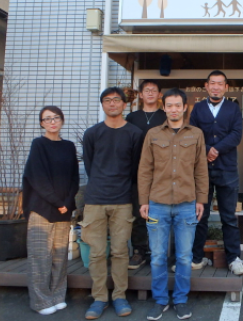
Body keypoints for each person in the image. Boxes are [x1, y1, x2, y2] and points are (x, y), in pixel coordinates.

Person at [138, 89, 208, 320]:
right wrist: (143, 200)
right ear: (164, 107)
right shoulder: (153, 134)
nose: (174, 109)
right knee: (157, 256)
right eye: (169, 105)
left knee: (184, 257)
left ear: (185, 107)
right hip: (157, 203)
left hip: (187, 203)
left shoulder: (196, 134)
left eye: (178, 105)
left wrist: (201, 199)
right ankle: (160, 300)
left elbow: (201, 169)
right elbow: (145, 169)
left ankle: (180, 300)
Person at [82, 87, 143, 320]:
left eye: (117, 100)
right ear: (103, 105)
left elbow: (136, 167)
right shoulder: (92, 133)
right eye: (107, 100)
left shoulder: (134, 133)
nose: (112, 104)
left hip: (122, 199)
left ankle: (119, 296)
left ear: (124, 104)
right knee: (96, 253)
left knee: (120, 252)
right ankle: (99, 298)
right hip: (95, 200)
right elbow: (90, 165)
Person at [23, 105, 79, 315]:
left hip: (63, 210)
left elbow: (74, 177)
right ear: (41, 123)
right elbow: (36, 177)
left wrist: (68, 201)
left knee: (59, 256)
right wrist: (57, 202)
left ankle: (57, 296)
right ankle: (41, 301)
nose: (52, 122)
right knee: (40, 257)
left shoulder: (69, 146)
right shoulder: (39, 144)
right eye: (47, 119)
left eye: (56, 117)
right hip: (41, 209)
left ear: (62, 120)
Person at [190, 70, 243, 275]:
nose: (215, 87)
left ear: (226, 87)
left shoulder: (233, 108)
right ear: (206, 86)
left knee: (228, 217)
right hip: (202, 170)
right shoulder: (197, 108)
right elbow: (193, 134)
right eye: (212, 83)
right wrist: (207, 150)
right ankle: (196, 258)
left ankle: (233, 259)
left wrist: (216, 149)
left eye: (220, 83)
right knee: (200, 215)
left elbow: (236, 134)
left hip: (227, 169)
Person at [125, 80, 167, 270]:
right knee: (138, 213)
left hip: (161, 172)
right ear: (141, 95)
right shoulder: (132, 117)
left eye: (154, 90)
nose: (150, 93)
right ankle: (139, 251)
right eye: (146, 90)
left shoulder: (165, 116)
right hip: (136, 171)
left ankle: (161, 252)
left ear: (160, 95)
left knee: (162, 214)